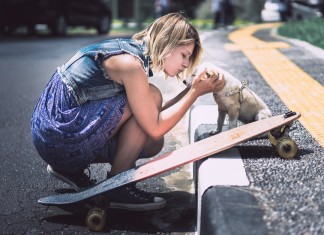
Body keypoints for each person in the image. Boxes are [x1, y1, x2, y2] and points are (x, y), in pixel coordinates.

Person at [30, 12, 225, 211]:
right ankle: (118, 186)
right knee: (153, 97)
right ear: (167, 43)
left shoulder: (130, 51)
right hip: (59, 136)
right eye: (184, 55)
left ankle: (68, 168)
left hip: (50, 133)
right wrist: (194, 92)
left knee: (153, 142)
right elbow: (155, 126)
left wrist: (193, 89)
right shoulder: (131, 65)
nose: (185, 63)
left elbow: (150, 119)